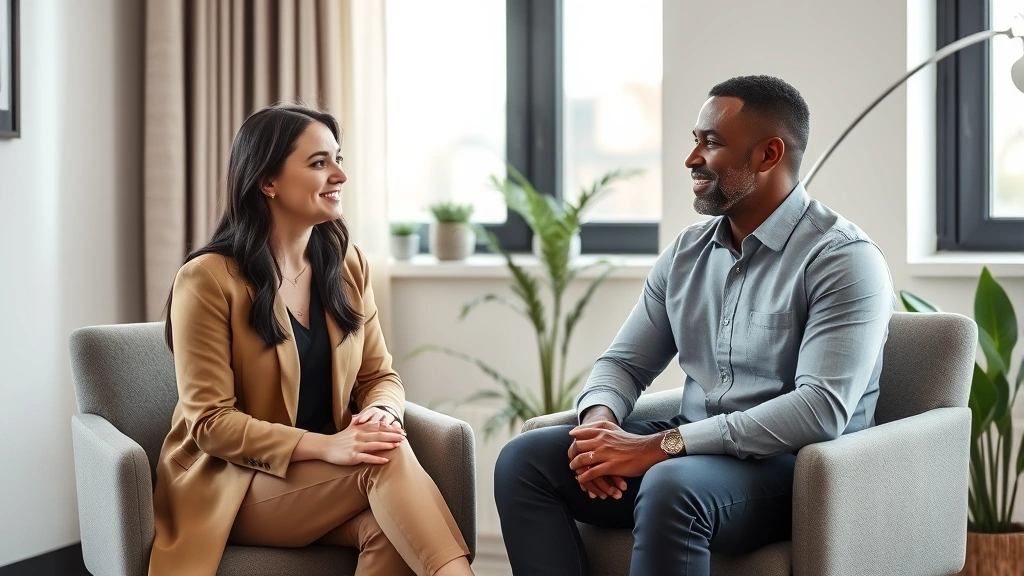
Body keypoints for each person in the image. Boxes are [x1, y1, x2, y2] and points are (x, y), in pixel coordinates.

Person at [494, 75, 896, 576]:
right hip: (693, 450)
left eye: (711, 143)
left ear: (769, 155)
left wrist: (657, 449)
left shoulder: (843, 259)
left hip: (798, 469)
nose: (691, 159)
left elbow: (820, 411)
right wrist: (599, 426)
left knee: (671, 485)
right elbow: (622, 363)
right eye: (695, 140)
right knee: (525, 460)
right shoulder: (687, 252)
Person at [150, 103, 474, 576]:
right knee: (378, 460)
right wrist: (329, 447)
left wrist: (381, 413)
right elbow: (211, 423)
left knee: (389, 521)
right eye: (319, 162)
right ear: (268, 182)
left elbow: (379, 375)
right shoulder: (208, 279)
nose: (339, 174)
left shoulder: (346, 265)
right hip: (233, 484)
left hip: (320, 480)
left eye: (338, 159)